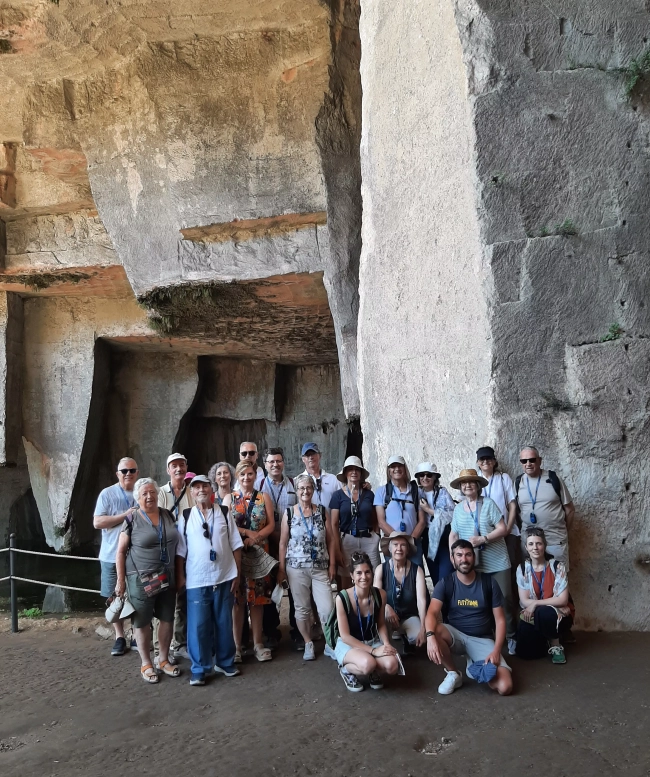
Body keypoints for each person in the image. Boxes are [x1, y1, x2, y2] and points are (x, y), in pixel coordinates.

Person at [176, 475, 243, 686]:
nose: (201, 490)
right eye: (196, 487)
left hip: (224, 576)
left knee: (224, 622)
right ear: (192, 492)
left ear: (211, 489)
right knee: (198, 626)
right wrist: (180, 576)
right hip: (197, 580)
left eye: (205, 485)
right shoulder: (185, 516)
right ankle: (200, 668)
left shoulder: (223, 512)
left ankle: (225, 662)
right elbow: (180, 551)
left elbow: (236, 544)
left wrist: (237, 573)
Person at [425, 539, 513, 696]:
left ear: (474, 557)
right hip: (456, 636)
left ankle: (473, 661)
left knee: (504, 686)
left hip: (482, 639)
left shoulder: (489, 583)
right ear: (452, 559)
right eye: (459, 555)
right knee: (435, 629)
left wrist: (496, 651)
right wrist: (430, 637)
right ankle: (453, 673)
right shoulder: (445, 583)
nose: (463, 559)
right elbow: (431, 613)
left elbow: (500, 620)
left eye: (468, 555)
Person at [115, 478, 181, 684]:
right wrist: (120, 581)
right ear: (138, 496)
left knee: (167, 617)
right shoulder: (132, 518)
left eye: (152, 492)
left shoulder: (167, 515)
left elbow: (178, 546)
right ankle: (146, 663)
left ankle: (163, 659)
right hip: (140, 578)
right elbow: (120, 551)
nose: (149, 496)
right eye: (144, 493)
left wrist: (179, 575)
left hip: (166, 575)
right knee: (142, 621)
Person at [448, 468, 517, 654]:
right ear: (461, 488)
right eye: (464, 483)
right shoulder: (458, 509)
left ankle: (511, 636)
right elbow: (453, 534)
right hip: (474, 564)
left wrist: (483, 539)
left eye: (471, 482)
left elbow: (503, 529)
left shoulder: (488, 504)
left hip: (497, 561)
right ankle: (489, 639)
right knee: (481, 602)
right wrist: (452, 555)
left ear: (478, 486)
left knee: (504, 599)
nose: (468, 486)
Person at [277, 474, 336, 661]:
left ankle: (329, 643)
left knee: (327, 608)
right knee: (302, 609)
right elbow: (282, 543)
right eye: (301, 488)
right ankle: (308, 642)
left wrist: (333, 563)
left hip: (320, 567)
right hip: (296, 568)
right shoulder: (289, 513)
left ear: (313, 490)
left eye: (308, 488)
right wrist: (281, 568)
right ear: (297, 490)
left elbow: (331, 540)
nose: (305, 491)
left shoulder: (321, 511)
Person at [223, 460, 276, 663]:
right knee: (238, 601)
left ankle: (258, 643)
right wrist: (246, 532)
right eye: (243, 474)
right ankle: (237, 646)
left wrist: (256, 537)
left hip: (258, 554)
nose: (247, 478)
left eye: (250, 474)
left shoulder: (264, 498)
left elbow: (271, 524)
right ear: (238, 476)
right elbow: (225, 525)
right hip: (236, 554)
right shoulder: (230, 498)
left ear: (256, 476)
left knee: (258, 600)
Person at [334, 552, 399, 692]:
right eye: (358, 573)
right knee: (367, 664)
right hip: (349, 644)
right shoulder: (342, 598)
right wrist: (374, 651)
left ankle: (372, 669)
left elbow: (381, 623)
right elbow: (345, 636)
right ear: (351, 575)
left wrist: (387, 644)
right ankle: (346, 670)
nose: (364, 577)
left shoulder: (380, 594)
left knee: (392, 665)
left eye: (367, 572)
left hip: (371, 640)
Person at [93, 457, 139, 657]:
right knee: (114, 597)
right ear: (117, 473)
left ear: (137, 472)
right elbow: (98, 522)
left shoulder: (142, 491)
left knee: (138, 595)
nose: (128, 473)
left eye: (132, 470)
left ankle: (137, 633)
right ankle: (119, 636)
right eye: (124, 470)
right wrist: (125, 515)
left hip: (137, 556)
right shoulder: (107, 494)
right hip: (111, 554)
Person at [156, 452, 195, 661]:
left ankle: (180, 643)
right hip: (166, 553)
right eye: (174, 466)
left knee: (183, 599)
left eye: (182, 465)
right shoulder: (161, 493)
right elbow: (158, 519)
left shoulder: (192, 492)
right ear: (168, 470)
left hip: (187, 552)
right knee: (162, 599)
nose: (178, 469)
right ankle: (159, 649)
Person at [516, 528, 574, 664]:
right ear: (526, 547)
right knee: (525, 653)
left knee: (545, 612)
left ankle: (556, 644)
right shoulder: (523, 569)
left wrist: (535, 603)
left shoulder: (557, 567)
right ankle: (545, 639)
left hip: (558, 615)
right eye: (531, 544)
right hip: (534, 615)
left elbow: (563, 599)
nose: (535, 548)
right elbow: (524, 601)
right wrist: (554, 603)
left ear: (545, 545)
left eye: (538, 543)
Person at [260, 447, 297, 646]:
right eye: (271, 461)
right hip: (266, 544)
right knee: (268, 587)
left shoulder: (293, 484)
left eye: (279, 461)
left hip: (291, 544)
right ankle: (270, 630)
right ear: (265, 465)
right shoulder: (258, 485)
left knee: (294, 586)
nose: (275, 464)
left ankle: (296, 628)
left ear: (283, 462)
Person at [517, 446, 575, 570]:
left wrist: (563, 532)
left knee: (559, 581)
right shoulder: (518, 482)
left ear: (540, 460)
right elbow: (517, 511)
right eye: (524, 461)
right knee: (533, 581)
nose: (528, 464)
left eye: (532, 460)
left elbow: (569, 509)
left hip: (554, 541)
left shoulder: (553, 479)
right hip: (530, 544)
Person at [374, 532, 428, 654]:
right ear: (389, 548)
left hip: (409, 615)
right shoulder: (381, 569)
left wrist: (424, 627)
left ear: (408, 549)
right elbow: (376, 598)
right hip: (386, 616)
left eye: (403, 545)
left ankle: (405, 636)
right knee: (381, 641)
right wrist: (386, 607)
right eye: (395, 544)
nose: (399, 548)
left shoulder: (417, 570)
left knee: (417, 639)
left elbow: (421, 600)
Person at [330, 456, 380, 585]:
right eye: (350, 469)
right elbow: (334, 524)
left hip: (369, 538)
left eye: (357, 469)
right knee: (347, 577)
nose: (354, 472)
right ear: (345, 473)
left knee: (372, 575)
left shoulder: (369, 494)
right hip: (347, 539)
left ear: (361, 473)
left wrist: (377, 536)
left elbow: (375, 518)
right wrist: (337, 548)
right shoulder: (337, 495)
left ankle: (371, 604)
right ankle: (348, 605)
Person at [374, 455, 427, 566]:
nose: (397, 469)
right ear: (389, 471)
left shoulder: (416, 491)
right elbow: (381, 522)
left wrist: (410, 541)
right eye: (393, 466)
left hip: (413, 543)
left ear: (405, 469)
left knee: (416, 577)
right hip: (392, 543)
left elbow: (422, 521)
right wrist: (399, 540)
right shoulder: (382, 492)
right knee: (393, 579)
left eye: (400, 466)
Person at [476, 446, 519, 578]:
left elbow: (512, 505)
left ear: (494, 461)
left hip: (507, 532)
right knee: (487, 571)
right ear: (478, 462)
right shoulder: (475, 480)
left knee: (511, 569)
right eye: (482, 459)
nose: (485, 461)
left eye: (489, 458)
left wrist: (508, 528)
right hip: (484, 534)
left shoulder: (503, 478)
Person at [414, 461, 455, 585]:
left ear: (435, 477)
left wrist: (429, 510)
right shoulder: (416, 493)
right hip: (426, 537)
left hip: (443, 536)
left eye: (429, 475)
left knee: (446, 573)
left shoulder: (442, 492)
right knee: (434, 574)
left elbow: (452, 514)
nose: (425, 478)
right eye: (422, 475)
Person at [300, 442, 341, 511]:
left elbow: (343, 500)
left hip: (330, 521)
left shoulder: (333, 480)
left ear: (320, 455)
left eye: (313, 454)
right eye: (307, 455)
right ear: (303, 459)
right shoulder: (298, 481)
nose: (311, 457)